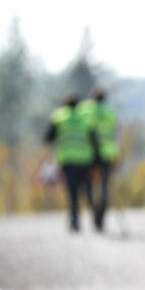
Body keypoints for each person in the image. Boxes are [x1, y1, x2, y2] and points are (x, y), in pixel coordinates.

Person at [43, 94, 98, 233]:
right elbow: (94, 139)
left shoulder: (59, 117)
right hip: (85, 159)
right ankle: (96, 216)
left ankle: (74, 220)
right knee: (87, 189)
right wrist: (97, 159)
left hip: (67, 159)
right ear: (78, 105)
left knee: (72, 190)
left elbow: (48, 137)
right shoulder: (85, 118)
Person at [77, 88, 119, 233]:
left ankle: (94, 210)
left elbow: (84, 130)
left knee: (88, 186)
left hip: (89, 155)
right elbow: (114, 134)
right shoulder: (110, 113)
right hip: (107, 155)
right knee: (104, 187)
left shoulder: (84, 110)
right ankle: (100, 216)